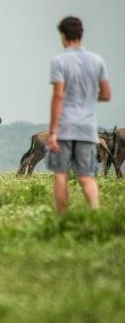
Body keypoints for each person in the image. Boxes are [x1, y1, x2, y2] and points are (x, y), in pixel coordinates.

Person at [47, 16, 112, 215]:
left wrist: (52, 131)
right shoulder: (97, 61)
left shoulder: (59, 61)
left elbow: (58, 95)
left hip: (65, 127)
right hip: (87, 129)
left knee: (61, 175)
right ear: (81, 35)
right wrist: (89, 97)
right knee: (87, 176)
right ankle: (95, 215)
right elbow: (106, 94)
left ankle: (62, 219)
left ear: (64, 37)